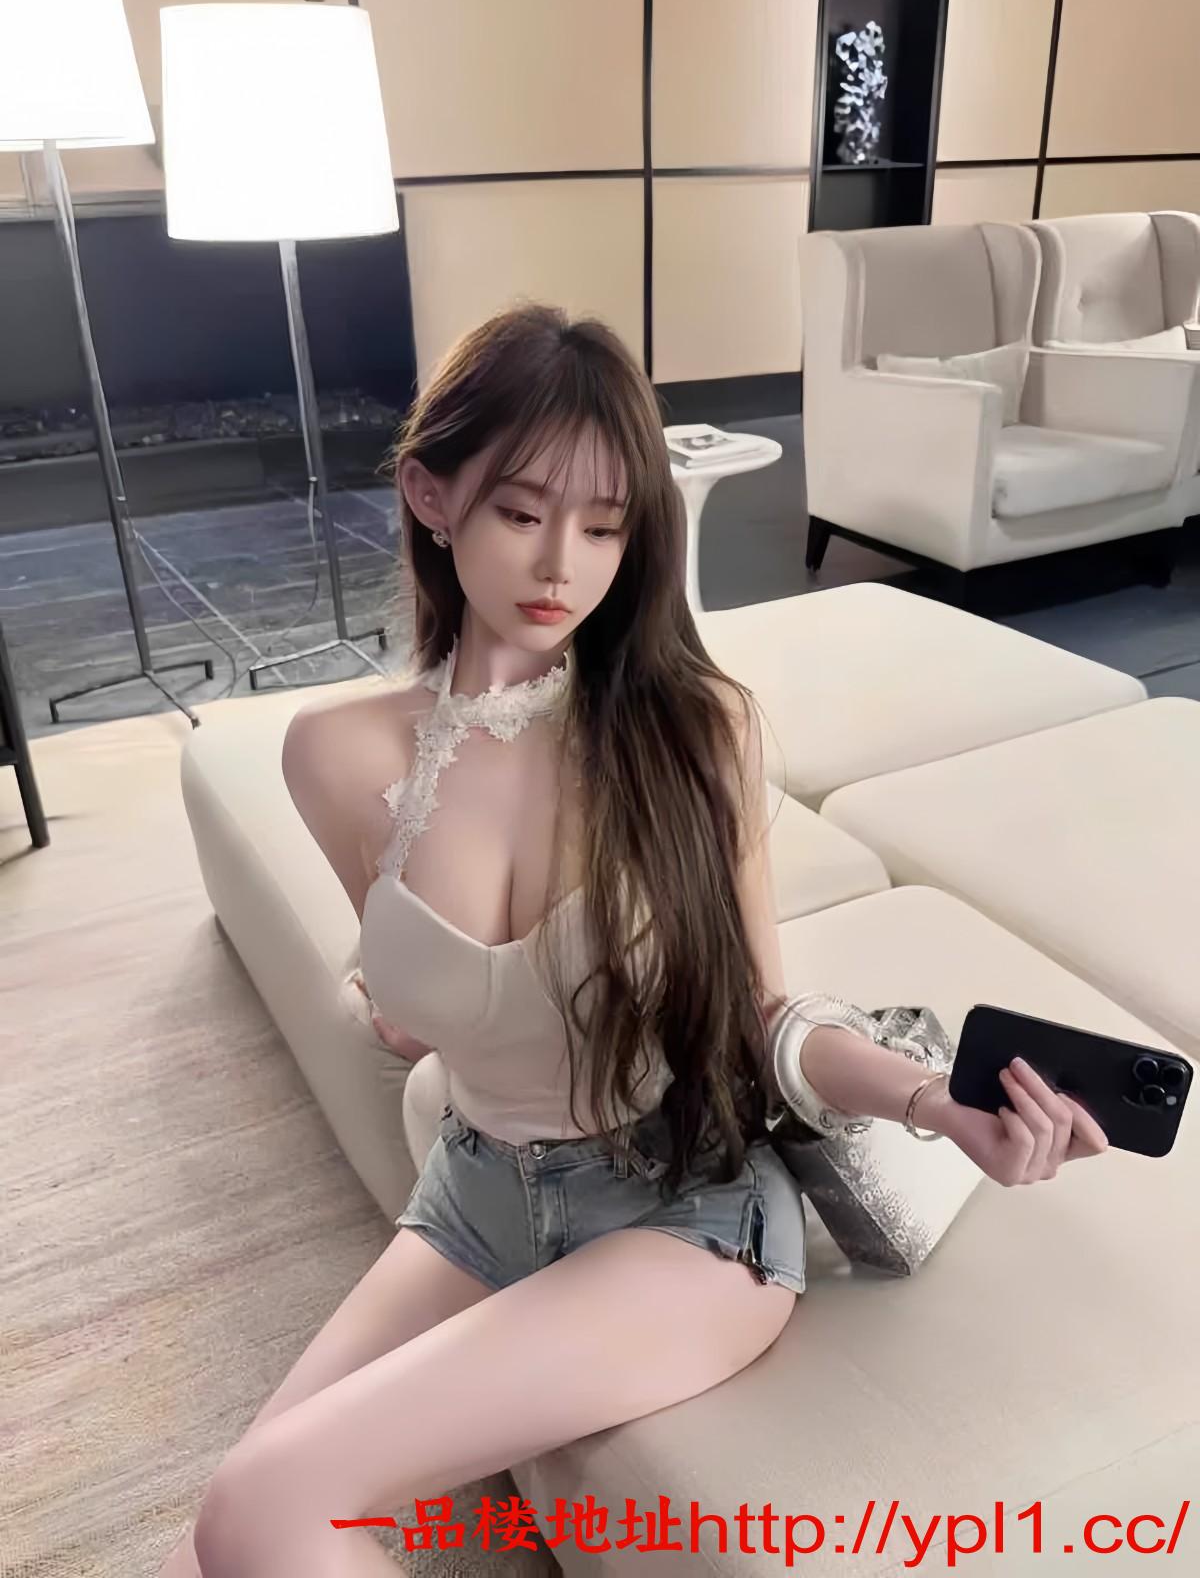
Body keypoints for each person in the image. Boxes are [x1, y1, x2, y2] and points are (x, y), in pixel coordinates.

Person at [161, 303, 1109, 1576]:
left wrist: (937, 1104)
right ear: (431, 496)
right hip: (475, 1199)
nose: (562, 563)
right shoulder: (334, 757)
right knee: (231, 1528)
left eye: (605, 526)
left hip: (685, 1214)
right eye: (521, 511)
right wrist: (410, 997)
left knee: (262, 1507)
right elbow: (407, 996)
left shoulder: (696, 731)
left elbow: (763, 1018)